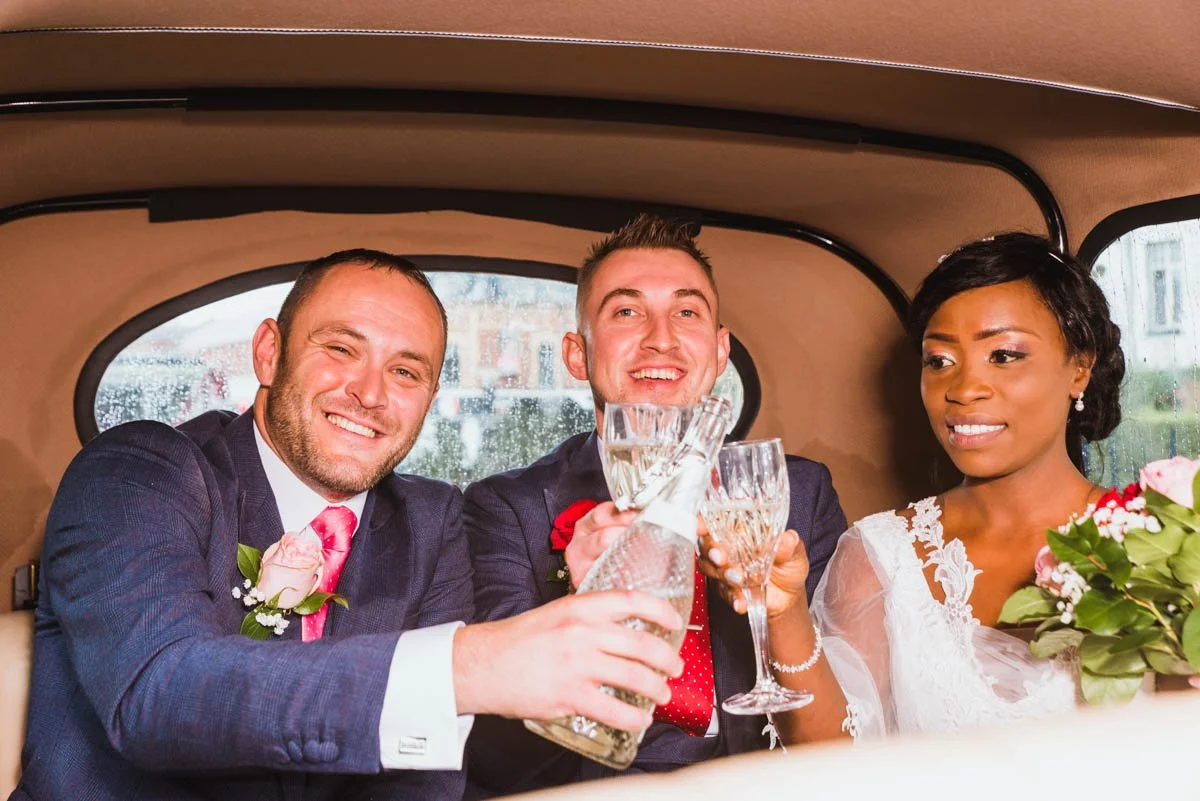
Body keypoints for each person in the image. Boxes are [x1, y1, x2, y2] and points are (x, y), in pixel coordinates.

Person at [14, 249, 685, 801]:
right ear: (270, 352)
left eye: (406, 370)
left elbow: (425, 778)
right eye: (341, 348)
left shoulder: (431, 519)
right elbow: (159, 692)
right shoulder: (138, 472)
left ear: (429, 399)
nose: (370, 392)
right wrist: (469, 665)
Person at [463, 215, 847, 794]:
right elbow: (496, 760)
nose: (660, 338)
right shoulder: (506, 508)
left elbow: (836, 745)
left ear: (720, 351)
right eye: (626, 312)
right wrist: (580, 599)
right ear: (576, 354)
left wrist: (780, 608)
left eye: (687, 312)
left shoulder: (796, 493)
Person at [702, 232, 1126, 743]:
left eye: (1004, 355)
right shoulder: (881, 555)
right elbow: (836, 757)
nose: (964, 389)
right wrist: (784, 613)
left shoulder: (1164, 545)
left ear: (1080, 367)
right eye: (939, 361)